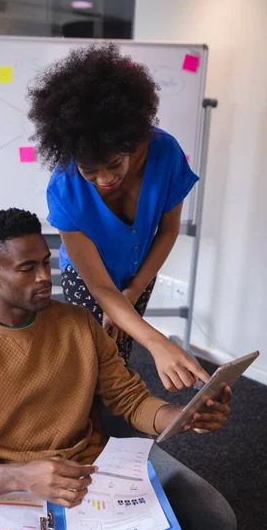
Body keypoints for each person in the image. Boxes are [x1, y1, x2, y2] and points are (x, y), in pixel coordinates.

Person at [0, 208, 231, 530]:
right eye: (27, 268)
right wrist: (20, 475)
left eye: (46, 263)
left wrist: (182, 416)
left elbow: (128, 399)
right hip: (4, 497)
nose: (45, 276)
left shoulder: (80, 325)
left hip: (86, 490)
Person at [27, 42, 209, 392]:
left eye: (114, 164)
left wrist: (135, 289)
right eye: (90, 172)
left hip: (138, 271)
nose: (106, 180)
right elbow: (98, 285)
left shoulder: (165, 154)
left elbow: (168, 232)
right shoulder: (64, 190)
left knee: (118, 357)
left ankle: (112, 436)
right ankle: (80, 434)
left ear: (131, 139)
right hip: (88, 277)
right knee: (89, 360)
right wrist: (157, 343)